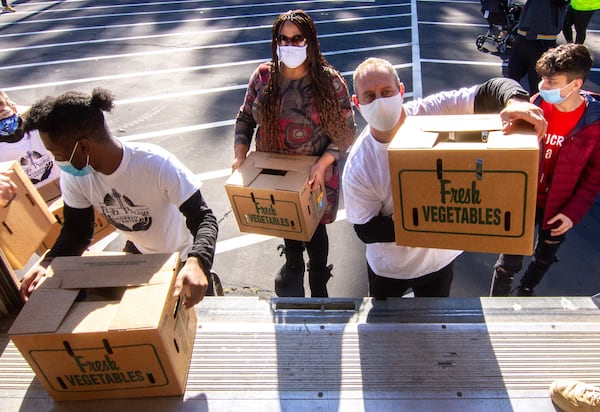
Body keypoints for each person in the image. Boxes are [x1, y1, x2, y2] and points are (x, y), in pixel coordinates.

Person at [343, 57, 546, 300]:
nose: (380, 101)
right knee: (387, 329)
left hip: (440, 261)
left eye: (387, 92)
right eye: (370, 96)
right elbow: (367, 230)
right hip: (390, 269)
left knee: (437, 324)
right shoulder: (360, 165)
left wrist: (516, 101)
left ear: (401, 91)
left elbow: (491, 90)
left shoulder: (431, 113)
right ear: (357, 103)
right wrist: (440, 218)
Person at [19, 88, 219, 308]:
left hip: (183, 257)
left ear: (83, 147)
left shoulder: (156, 164)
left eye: (57, 154)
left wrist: (197, 261)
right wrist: (48, 262)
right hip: (138, 255)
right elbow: (77, 233)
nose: (58, 162)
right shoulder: (75, 178)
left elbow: (204, 219)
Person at [233, 9, 356, 298]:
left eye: (297, 39)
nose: (289, 45)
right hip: (276, 174)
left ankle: (318, 279)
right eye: (283, 39)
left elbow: (346, 131)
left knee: (314, 230)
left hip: (316, 174)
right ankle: (292, 267)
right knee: (288, 224)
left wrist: (324, 163)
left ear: (310, 42)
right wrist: (239, 156)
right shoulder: (263, 77)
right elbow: (245, 118)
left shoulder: (330, 81)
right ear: (275, 42)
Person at [490, 43, 600, 297]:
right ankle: (498, 301)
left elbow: (593, 177)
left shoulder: (593, 123)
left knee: (545, 255)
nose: (543, 87)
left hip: (560, 207)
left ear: (576, 84)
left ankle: (526, 288)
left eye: (551, 82)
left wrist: (573, 213)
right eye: (542, 80)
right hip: (524, 204)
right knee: (507, 263)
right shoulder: (532, 107)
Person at [0, 90, 61, 200]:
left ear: (13, 107)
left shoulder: (41, 127)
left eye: (3, 114)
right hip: (31, 204)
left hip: (63, 191)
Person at [507, 0, 570, 95]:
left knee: (537, 83)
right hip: (523, 36)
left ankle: (536, 107)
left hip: (544, 39)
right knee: (512, 78)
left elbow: (560, 2)